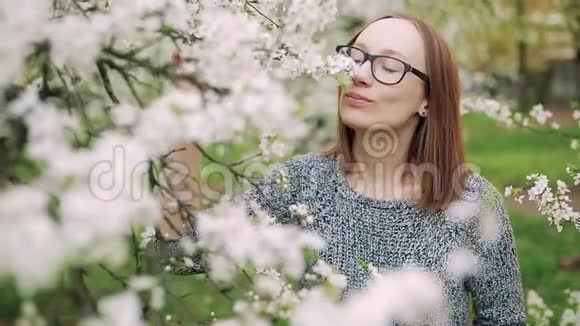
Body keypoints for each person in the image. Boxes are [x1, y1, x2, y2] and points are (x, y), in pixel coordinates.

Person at [148, 13, 527, 325]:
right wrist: (184, 113)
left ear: (427, 100)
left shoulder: (472, 204)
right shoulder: (297, 185)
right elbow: (174, 255)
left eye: (389, 66)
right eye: (355, 57)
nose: (359, 74)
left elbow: (504, 319)